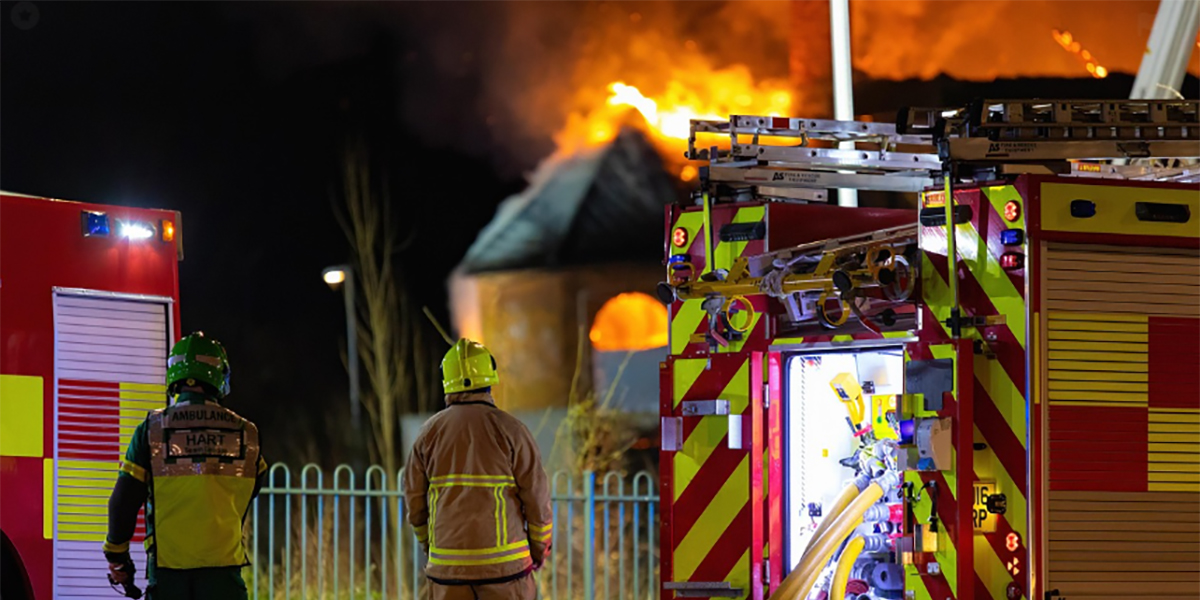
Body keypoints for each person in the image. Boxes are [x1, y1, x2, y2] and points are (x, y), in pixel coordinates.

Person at [104, 332, 267, 599]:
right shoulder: (246, 432)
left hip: (169, 578)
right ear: (218, 375)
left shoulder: (152, 430)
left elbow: (123, 502)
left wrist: (117, 555)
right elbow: (254, 486)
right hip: (224, 578)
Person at [404, 339, 552, 600]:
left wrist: (433, 549)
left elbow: (415, 506)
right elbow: (538, 501)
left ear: (446, 380)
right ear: (489, 377)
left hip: (447, 577)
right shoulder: (512, 431)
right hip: (506, 576)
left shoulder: (427, 435)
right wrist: (538, 552)